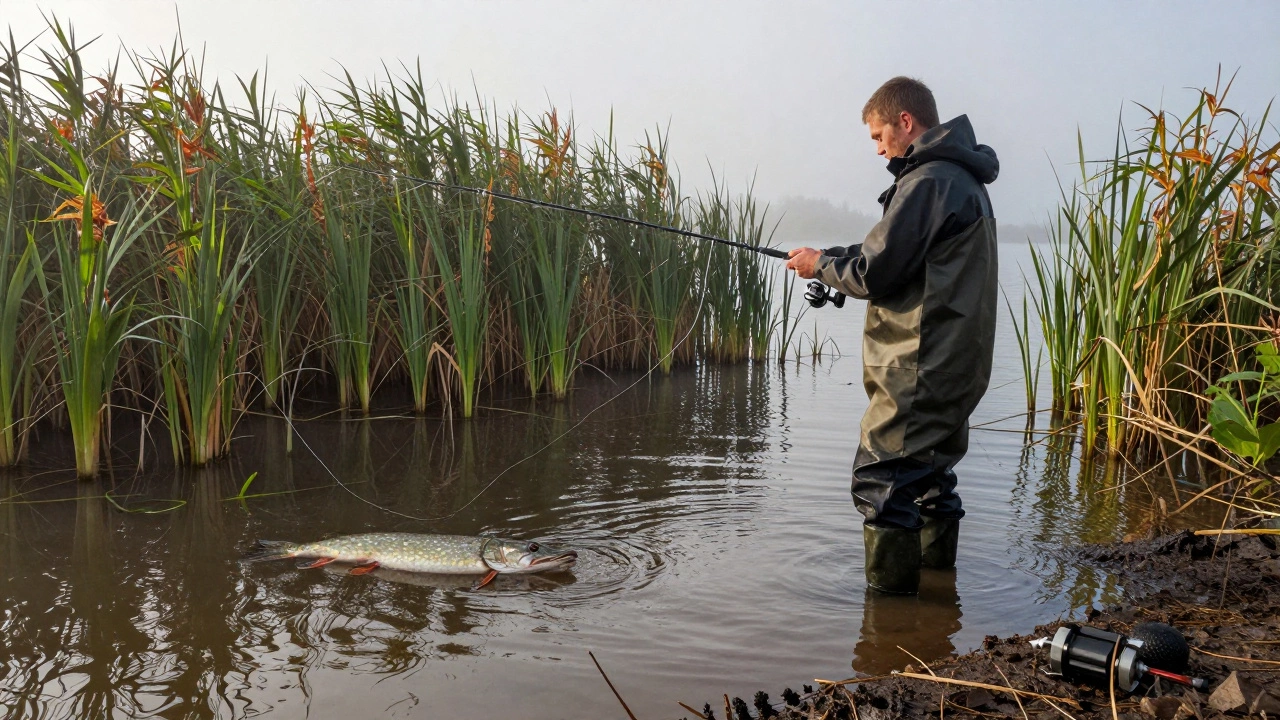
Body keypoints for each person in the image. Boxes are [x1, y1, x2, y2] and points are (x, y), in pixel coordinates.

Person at [785, 76, 999, 595]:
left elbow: (878, 271)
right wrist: (830, 261)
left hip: (920, 364)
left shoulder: (929, 180)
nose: (879, 149)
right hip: (955, 362)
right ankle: (937, 609)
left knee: (881, 482)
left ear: (907, 122)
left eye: (879, 136)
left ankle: (893, 627)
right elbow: (895, 254)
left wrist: (821, 267)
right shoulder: (958, 178)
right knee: (929, 480)